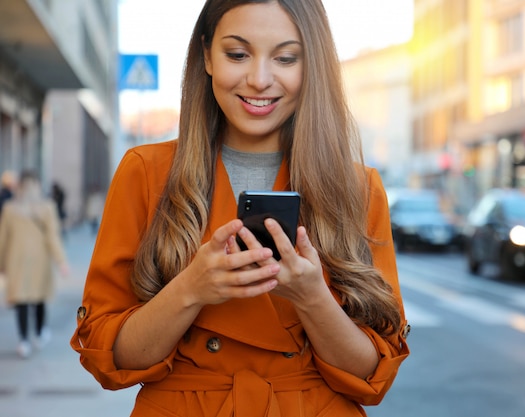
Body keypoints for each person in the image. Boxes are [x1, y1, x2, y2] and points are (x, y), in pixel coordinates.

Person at [70, 1, 410, 415]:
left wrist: (312, 298)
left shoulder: (358, 187)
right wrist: (191, 289)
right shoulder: (145, 173)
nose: (260, 79)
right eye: (237, 54)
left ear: (312, 66)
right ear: (207, 55)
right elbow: (111, 358)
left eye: (286, 58)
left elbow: (374, 378)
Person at [0, 170, 70, 358]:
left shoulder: (10, 208)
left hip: (16, 260)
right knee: (39, 298)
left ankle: (24, 340)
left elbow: (3, 239)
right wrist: (61, 261)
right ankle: (39, 333)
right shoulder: (47, 207)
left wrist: (2, 263)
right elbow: (52, 237)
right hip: (40, 260)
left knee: (21, 300)